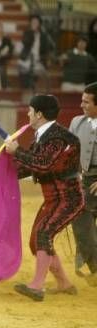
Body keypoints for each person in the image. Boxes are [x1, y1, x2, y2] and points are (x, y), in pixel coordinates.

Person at [4, 94, 85, 301]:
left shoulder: (60, 138)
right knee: (36, 241)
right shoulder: (43, 136)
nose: (28, 114)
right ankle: (64, 283)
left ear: (39, 114)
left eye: (30, 110)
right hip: (54, 198)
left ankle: (37, 287)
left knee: (43, 233)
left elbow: (43, 163)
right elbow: (28, 166)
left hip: (69, 198)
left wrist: (17, 151)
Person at [69, 82, 97, 287]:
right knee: (80, 220)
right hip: (84, 181)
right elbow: (68, 154)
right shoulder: (77, 122)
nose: (81, 105)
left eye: (86, 102)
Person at [18, 15, 54, 89]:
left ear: (39, 24)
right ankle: (28, 88)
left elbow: (47, 49)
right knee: (24, 72)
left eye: (36, 22)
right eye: (33, 22)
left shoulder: (43, 36)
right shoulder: (27, 33)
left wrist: (47, 59)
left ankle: (32, 87)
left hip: (38, 61)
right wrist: (32, 32)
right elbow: (26, 42)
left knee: (44, 76)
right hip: (26, 59)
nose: (34, 24)